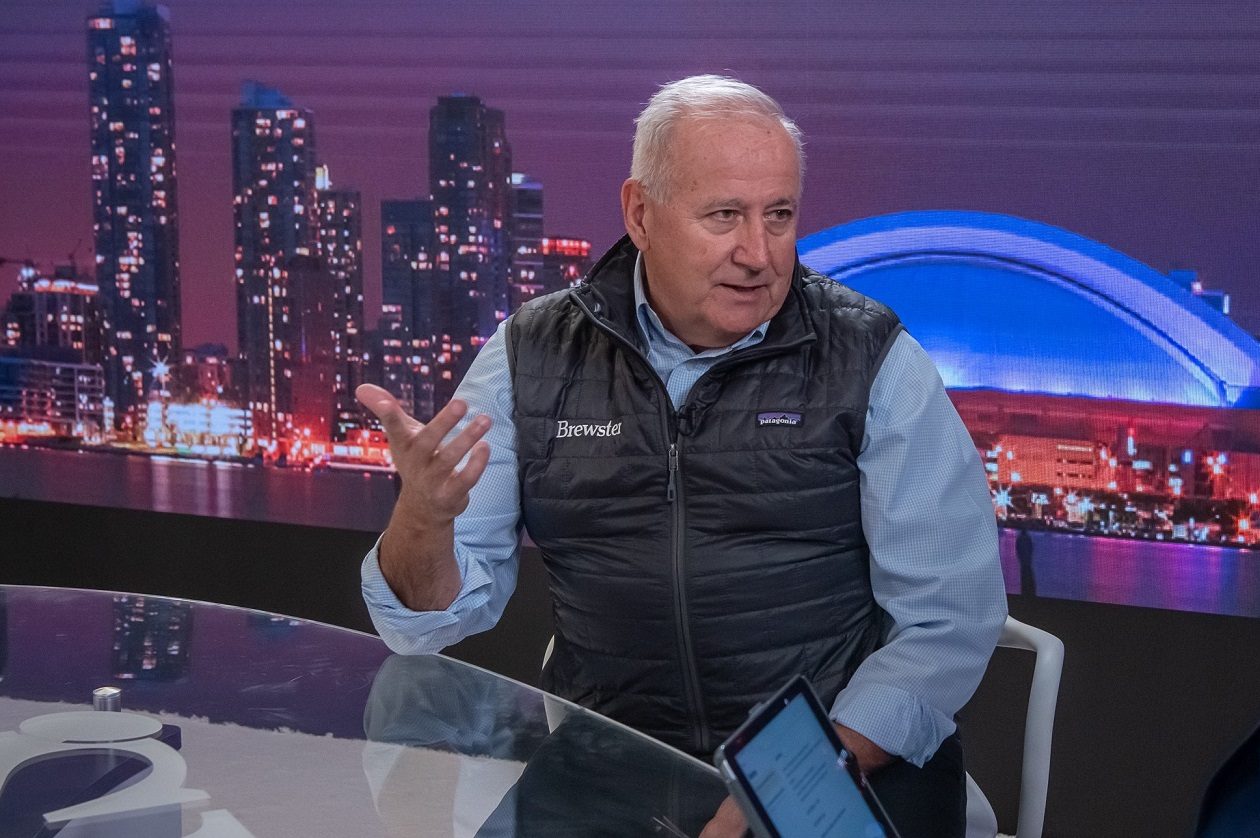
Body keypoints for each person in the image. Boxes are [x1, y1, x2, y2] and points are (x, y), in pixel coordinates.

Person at [358, 74, 1007, 837]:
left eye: (779, 216)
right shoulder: (531, 355)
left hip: (840, 760)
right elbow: (423, 629)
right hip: (613, 766)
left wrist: (791, 780)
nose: (758, 253)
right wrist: (423, 518)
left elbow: (945, 623)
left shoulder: (871, 357)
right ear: (640, 213)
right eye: (724, 215)